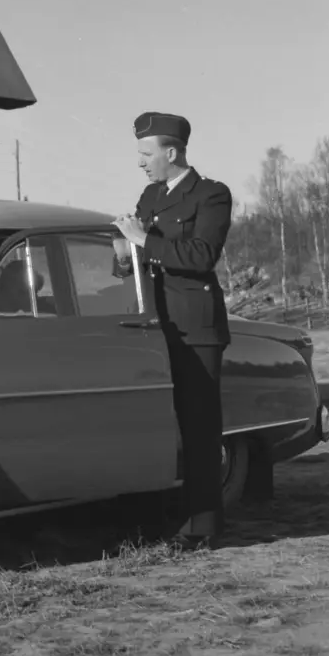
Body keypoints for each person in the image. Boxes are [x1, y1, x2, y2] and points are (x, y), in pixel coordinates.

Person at [112, 111, 233, 549]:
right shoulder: (149, 196)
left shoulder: (212, 195)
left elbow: (201, 255)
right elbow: (134, 258)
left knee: (199, 428)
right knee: (164, 425)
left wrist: (144, 241)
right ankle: (169, 514)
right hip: (153, 325)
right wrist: (123, 253)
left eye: (146, 154)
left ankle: (203, 526)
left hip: (194, 327)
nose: (141, 163)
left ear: (171, 152)